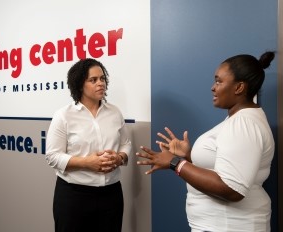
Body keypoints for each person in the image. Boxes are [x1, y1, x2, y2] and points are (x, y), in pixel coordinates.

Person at [136, 51, 275, 231]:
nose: (213, 87)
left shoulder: (244, 123)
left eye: (219, 81)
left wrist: (175, 162)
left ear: (239, 87)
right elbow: (225, 168)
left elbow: (232, 189)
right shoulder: (239, 120)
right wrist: (189, 156)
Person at [45, 58, 132, 232]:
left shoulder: (114, 112)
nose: (101, 83)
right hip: (74, 196)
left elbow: (126, 144)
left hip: (111, 194)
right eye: (93, 80)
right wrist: (87, 163)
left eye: (102, 78)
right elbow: (52, 156)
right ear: (79, 85)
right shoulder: (64, 115)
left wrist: (119, 158)